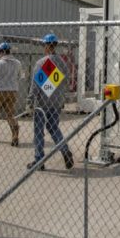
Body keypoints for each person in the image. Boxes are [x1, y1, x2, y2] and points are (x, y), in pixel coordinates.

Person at [27, 33, 74, 170]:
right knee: (53, 128)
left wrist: (30, 101)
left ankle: (39, 160)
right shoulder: (62, 63)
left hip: (42, 103)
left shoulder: (41, 62)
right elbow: (65, 81)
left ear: (46, 46)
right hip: (56, 102)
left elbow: (36, 85)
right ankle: (65, 150)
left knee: (39, 131)